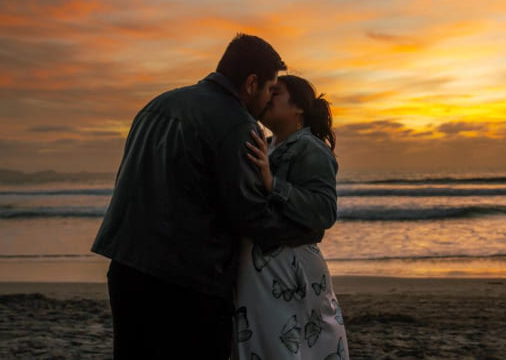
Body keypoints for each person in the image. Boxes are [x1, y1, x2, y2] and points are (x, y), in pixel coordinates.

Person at [92, 34, 321, 359]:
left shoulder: (157, 104)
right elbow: (250, 214)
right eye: (270, 90)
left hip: (126, 269)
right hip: (187, 283)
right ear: (251, 83)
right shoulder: (237, 124)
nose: (269, 101)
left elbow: (129, 180)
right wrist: (306, 230)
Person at [234, 75, 348, 360]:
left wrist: (274, 184)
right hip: (259, 270)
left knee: (296, 349)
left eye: (277, 93)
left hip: (291, 268)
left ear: (298, 108)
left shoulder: (310, 147)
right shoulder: (263, 143)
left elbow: (324, 211)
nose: (267, 97)